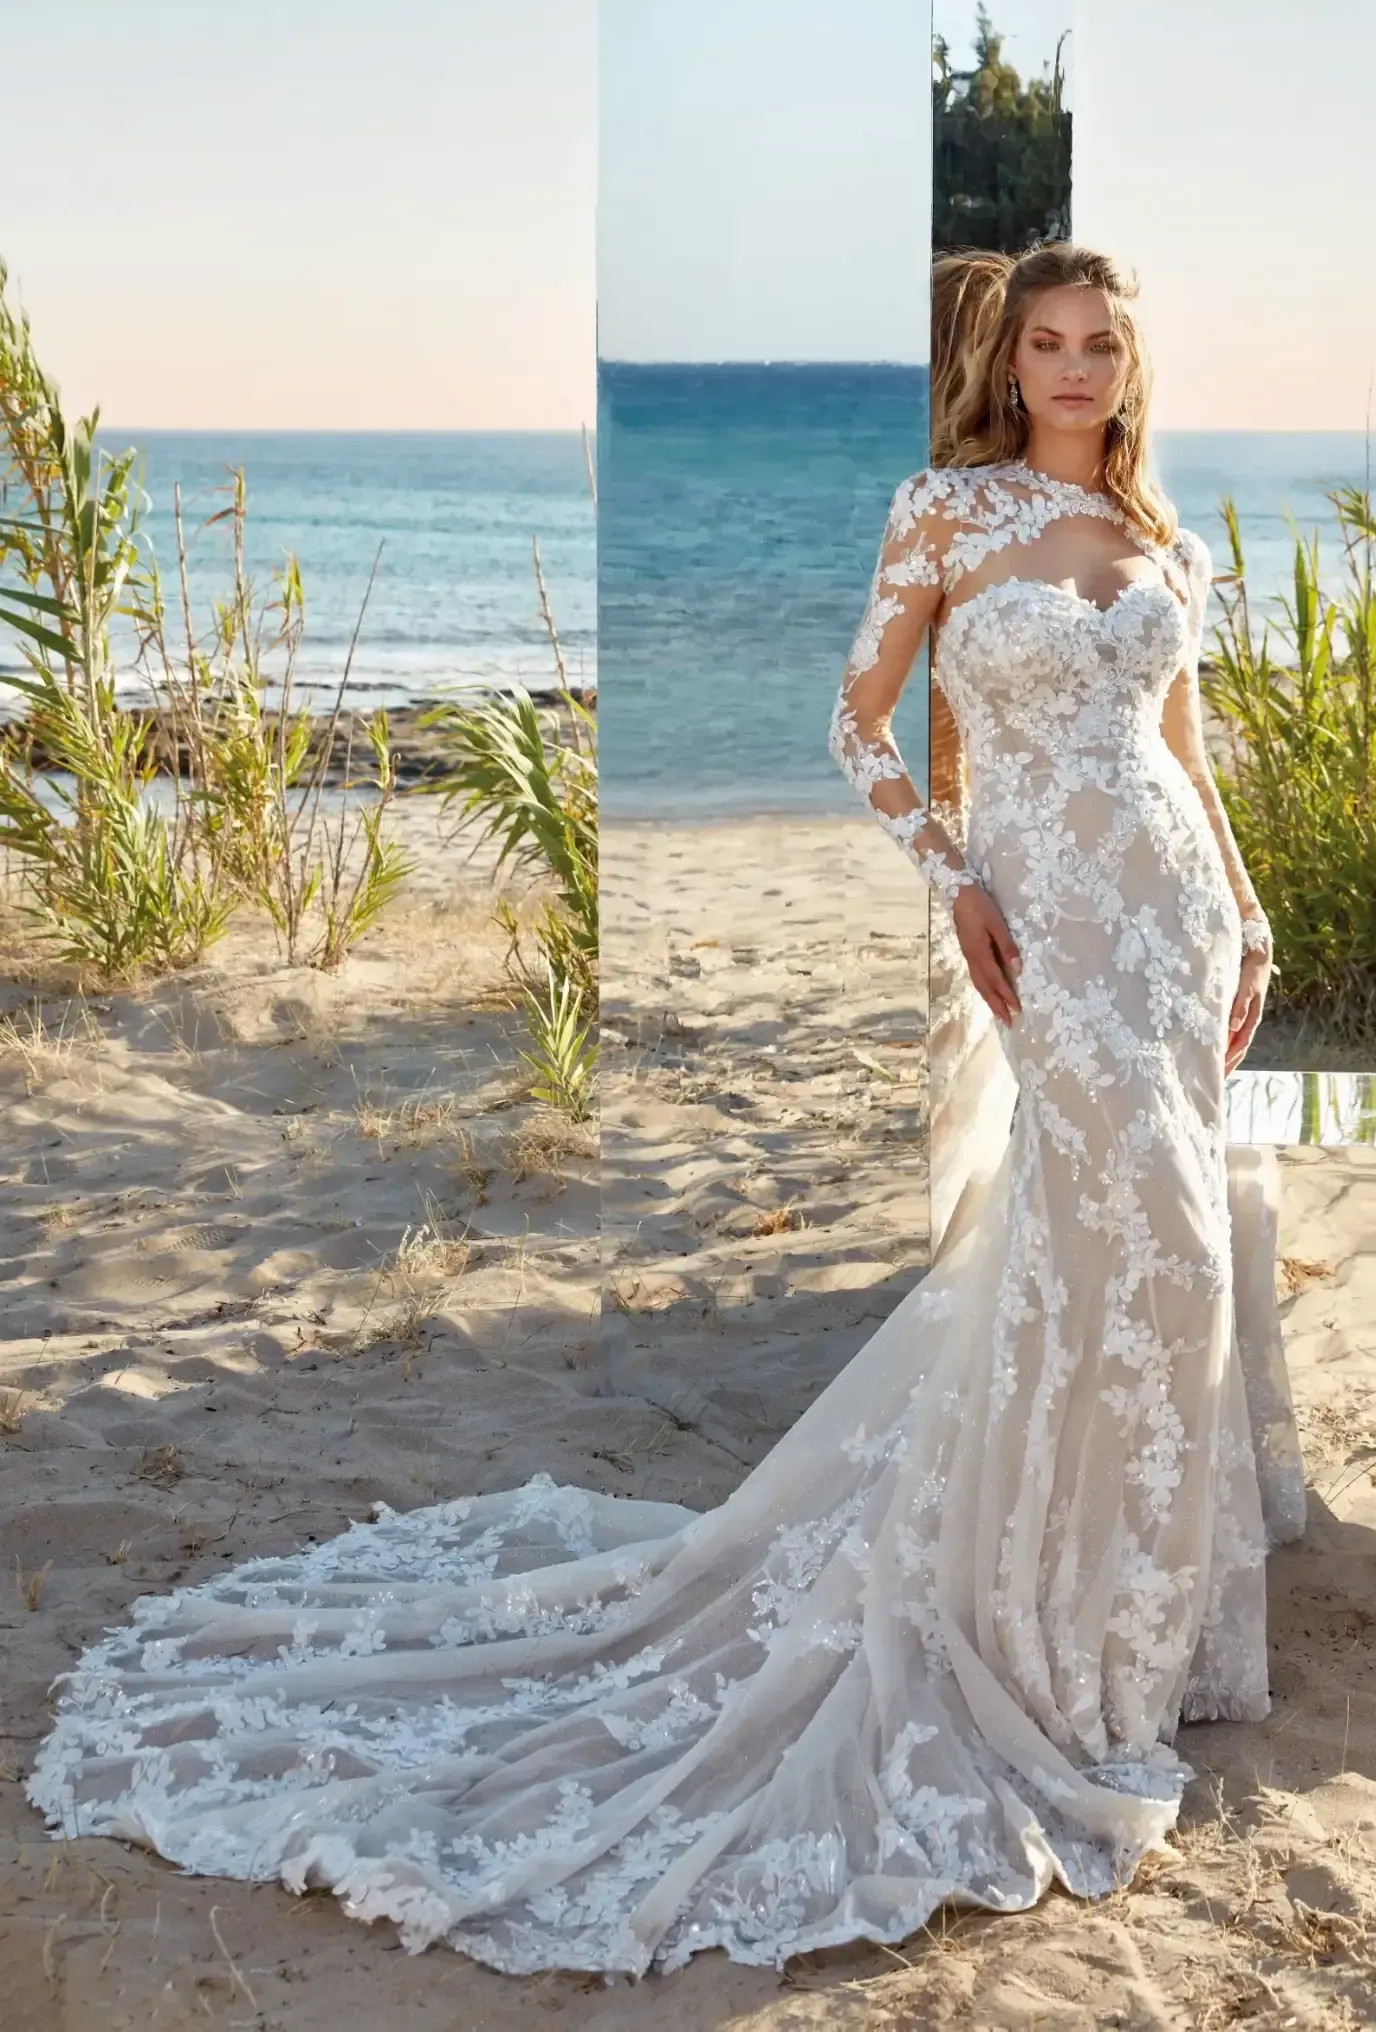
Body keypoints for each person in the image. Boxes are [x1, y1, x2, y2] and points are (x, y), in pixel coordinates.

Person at [28, 243, 1304, 1981]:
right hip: (1049, 931)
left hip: (1165, 927)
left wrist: (1245, 913)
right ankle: (1034, 1638)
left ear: (1129, 366)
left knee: (1172, 1268)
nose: (1072, 368)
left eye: (1099, 345)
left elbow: (1185, 742)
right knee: (1112, 1245)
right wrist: (957, 877)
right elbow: (857, 727)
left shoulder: (1166, 537)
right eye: (1044, 343)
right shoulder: (943, 509)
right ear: (1006, 363)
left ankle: (1140, 1637)